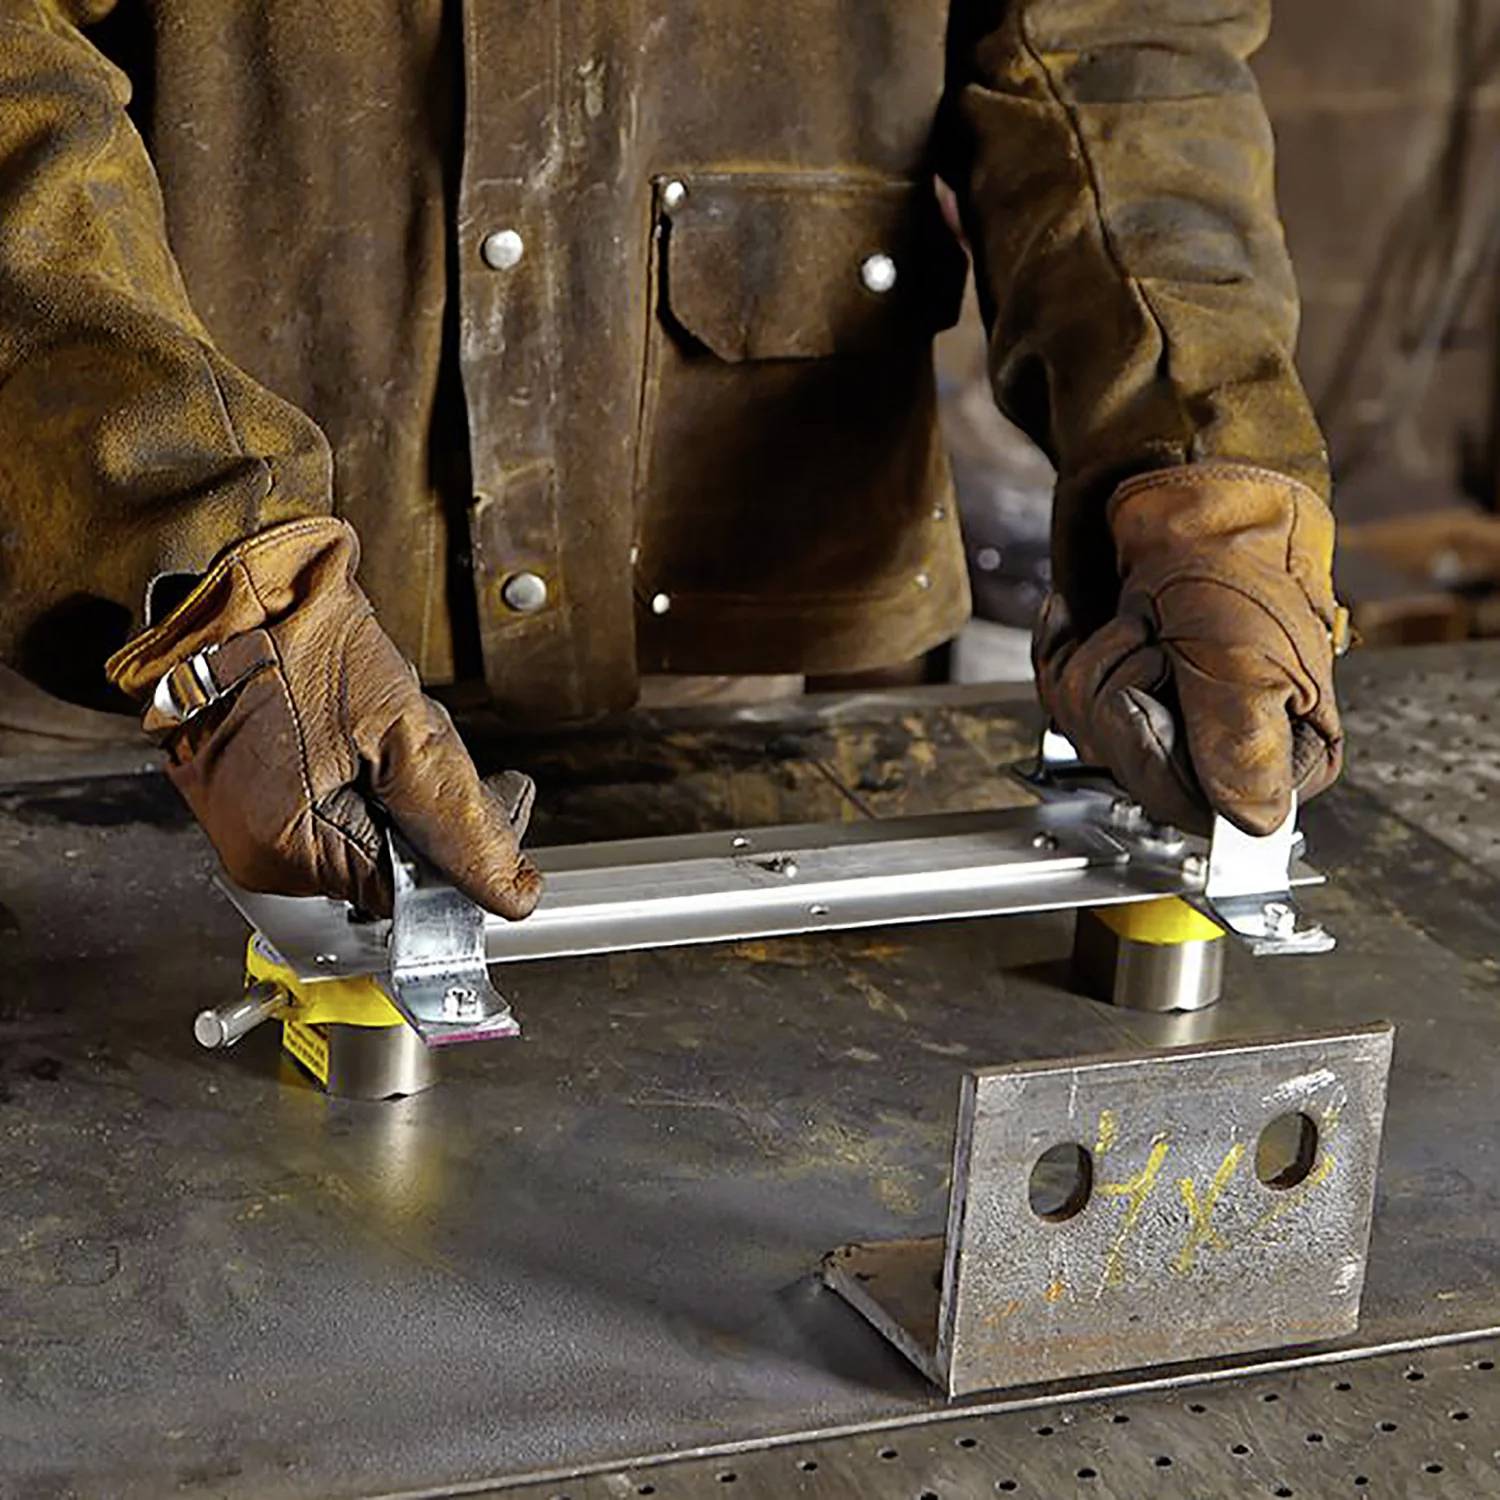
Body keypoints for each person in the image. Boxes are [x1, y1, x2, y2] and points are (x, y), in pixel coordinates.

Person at [0, 1, 1344, 917]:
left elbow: (1115, 38)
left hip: (711, 623)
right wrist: (191, 529)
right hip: (143, 653)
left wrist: (1203, 463)